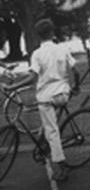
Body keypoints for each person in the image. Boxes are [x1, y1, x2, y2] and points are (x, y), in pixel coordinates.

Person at [1, 19, 80, 182]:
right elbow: (76, 70)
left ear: (38, 35)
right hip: (63, 93)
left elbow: (33, 77)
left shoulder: (37, 54)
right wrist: (76, 86)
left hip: (46, 96)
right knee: (48, 124)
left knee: (52, 132)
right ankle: (43, 143)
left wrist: (12, 87)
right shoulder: (62, 49)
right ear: (52, 32)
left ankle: (61, 166)